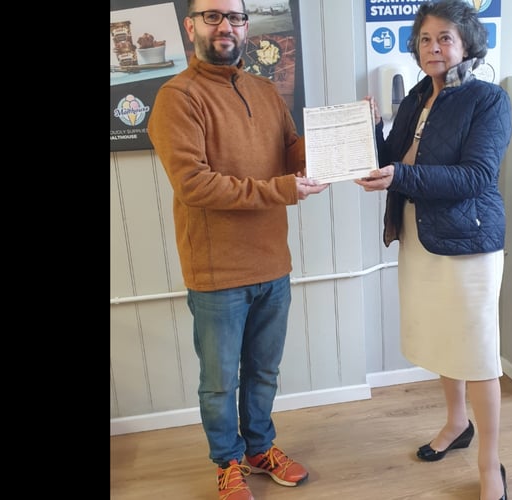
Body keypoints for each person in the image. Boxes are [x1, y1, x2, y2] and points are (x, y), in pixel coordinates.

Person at [147, 1, 329, 499]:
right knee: (220, 382)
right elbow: (196, 186)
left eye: (235, 17)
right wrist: (281, 191)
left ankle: (259, 448)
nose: (225, 26)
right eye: (212, 16)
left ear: (247, 27)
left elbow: (291, 151)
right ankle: (226, 462)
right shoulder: (176, 98)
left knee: (264, 372)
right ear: (191, 27)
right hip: (216, 273)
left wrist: (337, 140)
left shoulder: (266, 91)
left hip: (274, 263)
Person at [355, 2, 512, 499]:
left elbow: (476, 176)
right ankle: (456, 424)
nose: (434, 48)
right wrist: (371, 130)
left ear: (467, 44)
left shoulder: (488, 99)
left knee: (478, 353)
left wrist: (399, 175)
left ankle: (491, 466)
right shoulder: (417, 96)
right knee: (447, 341)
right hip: (421, 237)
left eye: (445, 38)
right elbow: (392, 162)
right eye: (425, 39)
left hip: (469, 243)